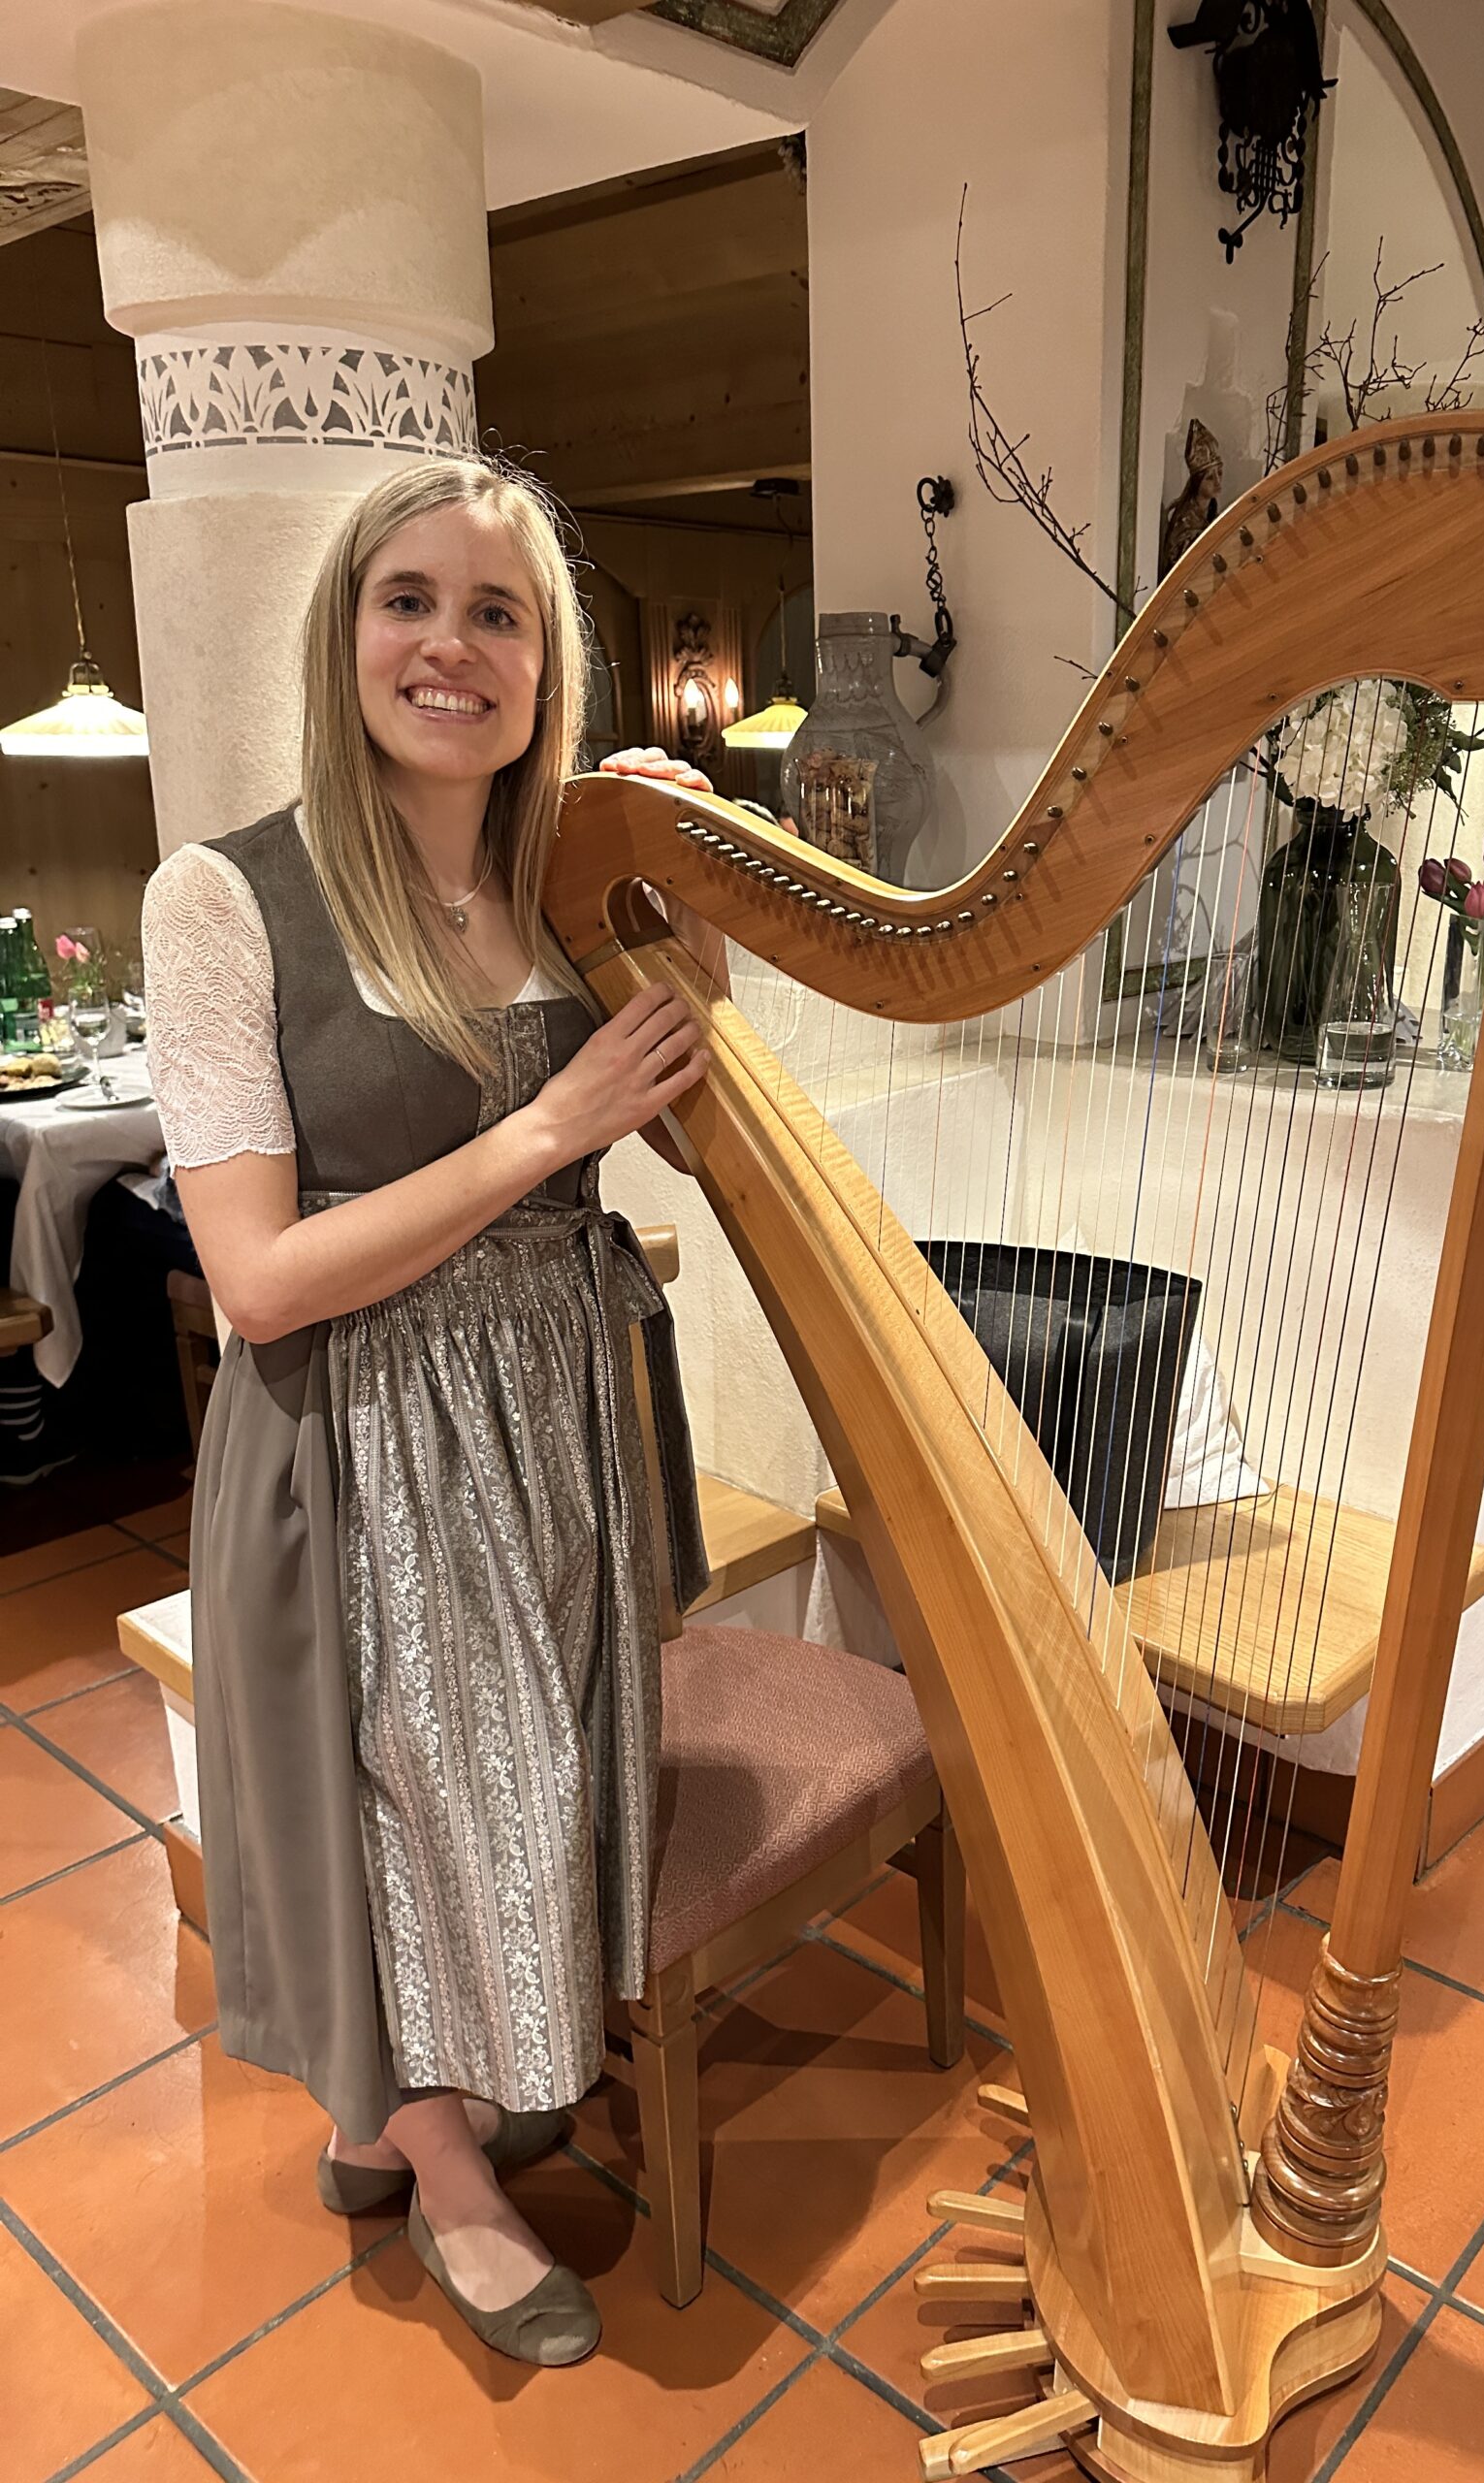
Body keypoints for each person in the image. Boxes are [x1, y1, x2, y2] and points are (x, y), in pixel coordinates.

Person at [142, 456, 725, 2367]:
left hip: (552, 1415)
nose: (449, 645)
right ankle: (440, 2160)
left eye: (498, 612)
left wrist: (700, 918)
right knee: (400, 1794)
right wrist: (550, 1129)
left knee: (520, 1786)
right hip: (359, 1436)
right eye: (409, 598)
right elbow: (258, 1278)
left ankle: (409, 2106)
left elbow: (693, 1132)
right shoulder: (228, 897)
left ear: (549, 666)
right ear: (346, 631)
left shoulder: (562, 884)